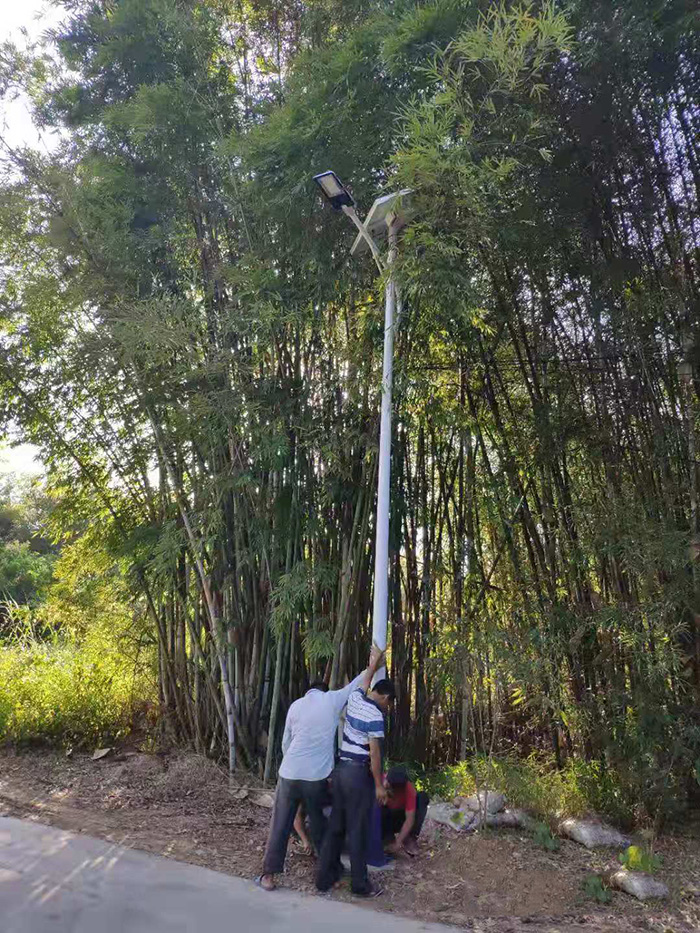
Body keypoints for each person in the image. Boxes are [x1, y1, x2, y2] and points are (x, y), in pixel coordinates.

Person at [257, 644, 385, 891]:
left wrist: (294, 765)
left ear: (308, 692)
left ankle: (268, 876)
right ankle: (331, 871)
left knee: (280, 824)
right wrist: (374, 663)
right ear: (324, 691)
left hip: (289, 773)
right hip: (315, 778)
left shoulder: (295, 705)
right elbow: (356, 685)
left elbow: (286, 743)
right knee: (319, 824)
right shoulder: (331, 700)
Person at [316, 676, 396, 898]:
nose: (387, 709)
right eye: (389, 704)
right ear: (386, 698)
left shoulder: (356, 697)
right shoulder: (375, 716)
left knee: (336, 827)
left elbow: (363, 681)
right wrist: (379, 785)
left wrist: (374, 661)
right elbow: (375, 753)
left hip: (341, 771)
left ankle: (322, 879)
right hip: (358, 775)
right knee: (358, 829)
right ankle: (360, 885)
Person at [381, 766, 429, 857]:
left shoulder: (408, 789)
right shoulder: (379, 783)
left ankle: (409, 837)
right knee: (381, 809)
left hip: (400, 818)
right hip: (385, 820)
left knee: (422, 797)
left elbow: (409, 819)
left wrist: (397, 843)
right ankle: (387, 839)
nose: (396, 791)